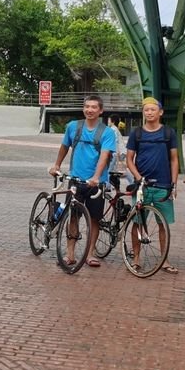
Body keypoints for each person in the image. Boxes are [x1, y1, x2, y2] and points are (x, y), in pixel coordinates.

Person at [48, 95, 116, 268]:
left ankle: (90, 253)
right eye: (87, 106)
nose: (90, 110)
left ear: (101, 111)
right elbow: (65, 146)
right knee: (73, 217)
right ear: (83, 108)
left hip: (96, 183)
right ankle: (70, 254)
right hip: (76, 179)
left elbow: (104, 155)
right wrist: (57, 165)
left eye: (94, 107)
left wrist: (96, 176)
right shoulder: (73, 127)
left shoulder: (107, 132)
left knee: (94, 219)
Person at [126, 97, 180, 274]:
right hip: (142, 185)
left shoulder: (168, 133)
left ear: (160, 112)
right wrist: (138, 177)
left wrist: (173, 184)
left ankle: (164, 259)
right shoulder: (137, 133)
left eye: (152, 109)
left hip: (163, 185)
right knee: (137, 222)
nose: (149, 113)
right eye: (146, 110)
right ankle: (136, 258)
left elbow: (174, 159)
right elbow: (129, 159)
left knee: (162, 223)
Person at [106, 115, 131, 188]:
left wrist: (116, 153)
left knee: (110, 170)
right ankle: (131, 181)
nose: (108, 122)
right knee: (117, 170)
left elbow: (115, 142)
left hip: (117, 152)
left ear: (112, 121)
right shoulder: (114, 129)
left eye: (109, 120)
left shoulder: (113, 129)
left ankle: (107, 187)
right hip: (120, 152)